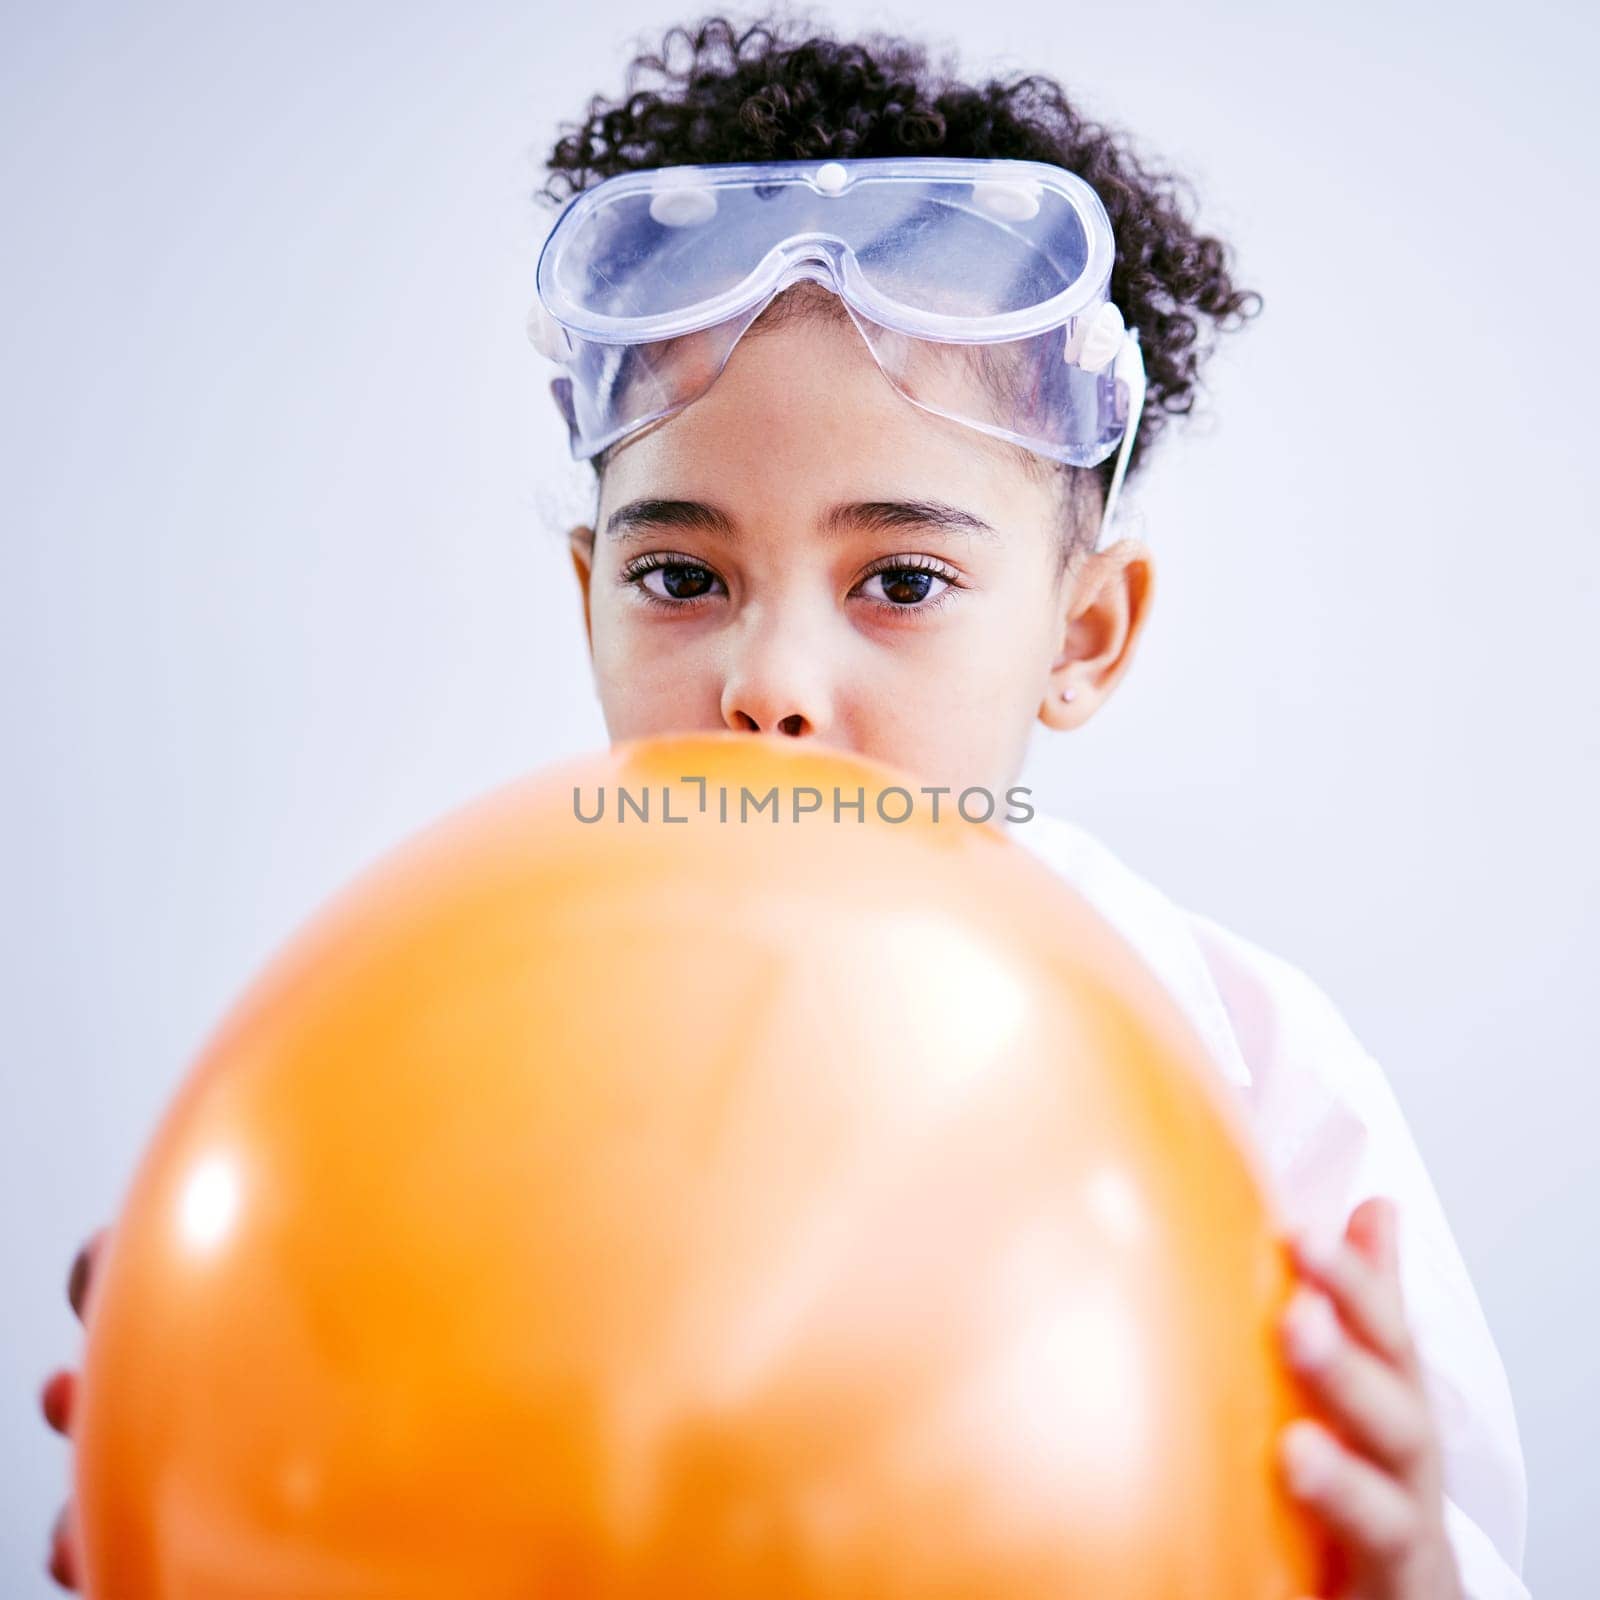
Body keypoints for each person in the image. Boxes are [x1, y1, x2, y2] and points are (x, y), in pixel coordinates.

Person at [39, 14, 1528, 1598]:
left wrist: (1414, 1572)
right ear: (588, 597)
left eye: (901, 581)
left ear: (1083, 633)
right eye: (681, 576)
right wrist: (209, 1441)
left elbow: (1437, 1536)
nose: (774, 683)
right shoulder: (447, 1026)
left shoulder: (1249, 1068)